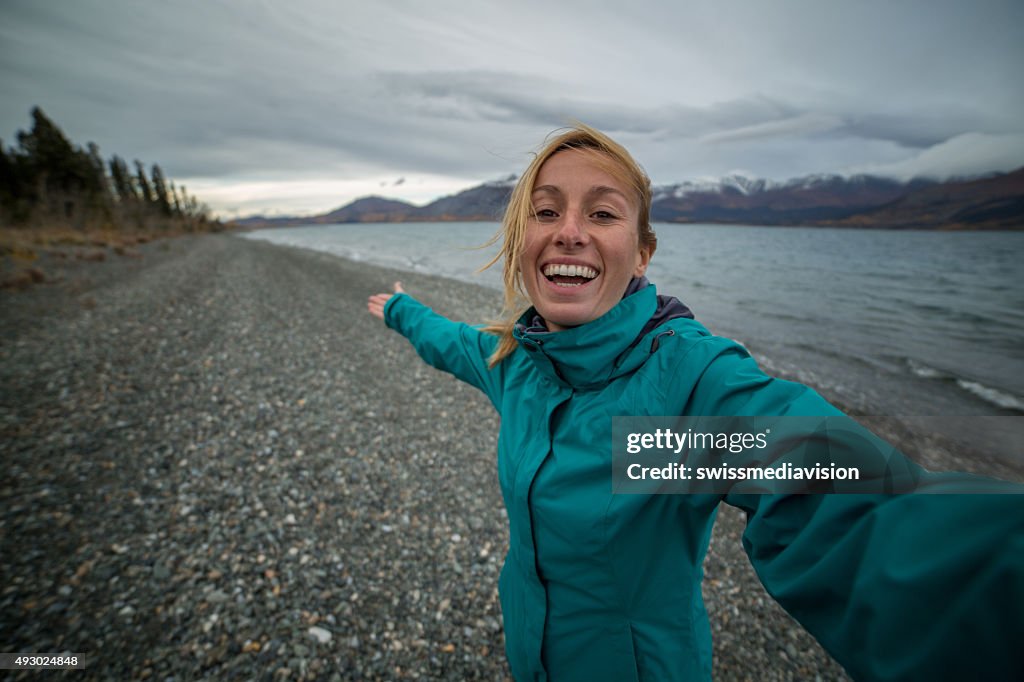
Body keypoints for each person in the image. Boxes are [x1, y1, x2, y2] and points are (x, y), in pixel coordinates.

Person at [367, 124, 1023, 681]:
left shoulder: (682, 394)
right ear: (522, 242)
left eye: (602, 212)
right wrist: (399, 308)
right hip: (529, 650)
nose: (569, 231)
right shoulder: (517, 364)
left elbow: (835, 492)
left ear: (642, 254)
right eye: (545, 211)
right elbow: (452, 343)